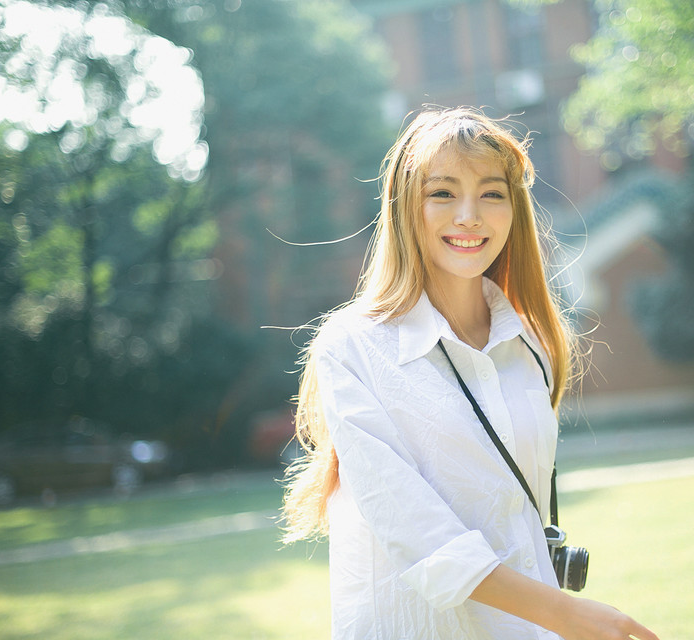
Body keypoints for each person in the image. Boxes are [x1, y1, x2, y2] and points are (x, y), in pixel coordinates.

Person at [282, 107, 659, 640]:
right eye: (442, 193)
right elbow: (414, 526)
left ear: (514, 210)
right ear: (405, 207)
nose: (469, 215)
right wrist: (567, 614)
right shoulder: (354, 347)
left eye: (491, 193)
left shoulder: (532, 343)